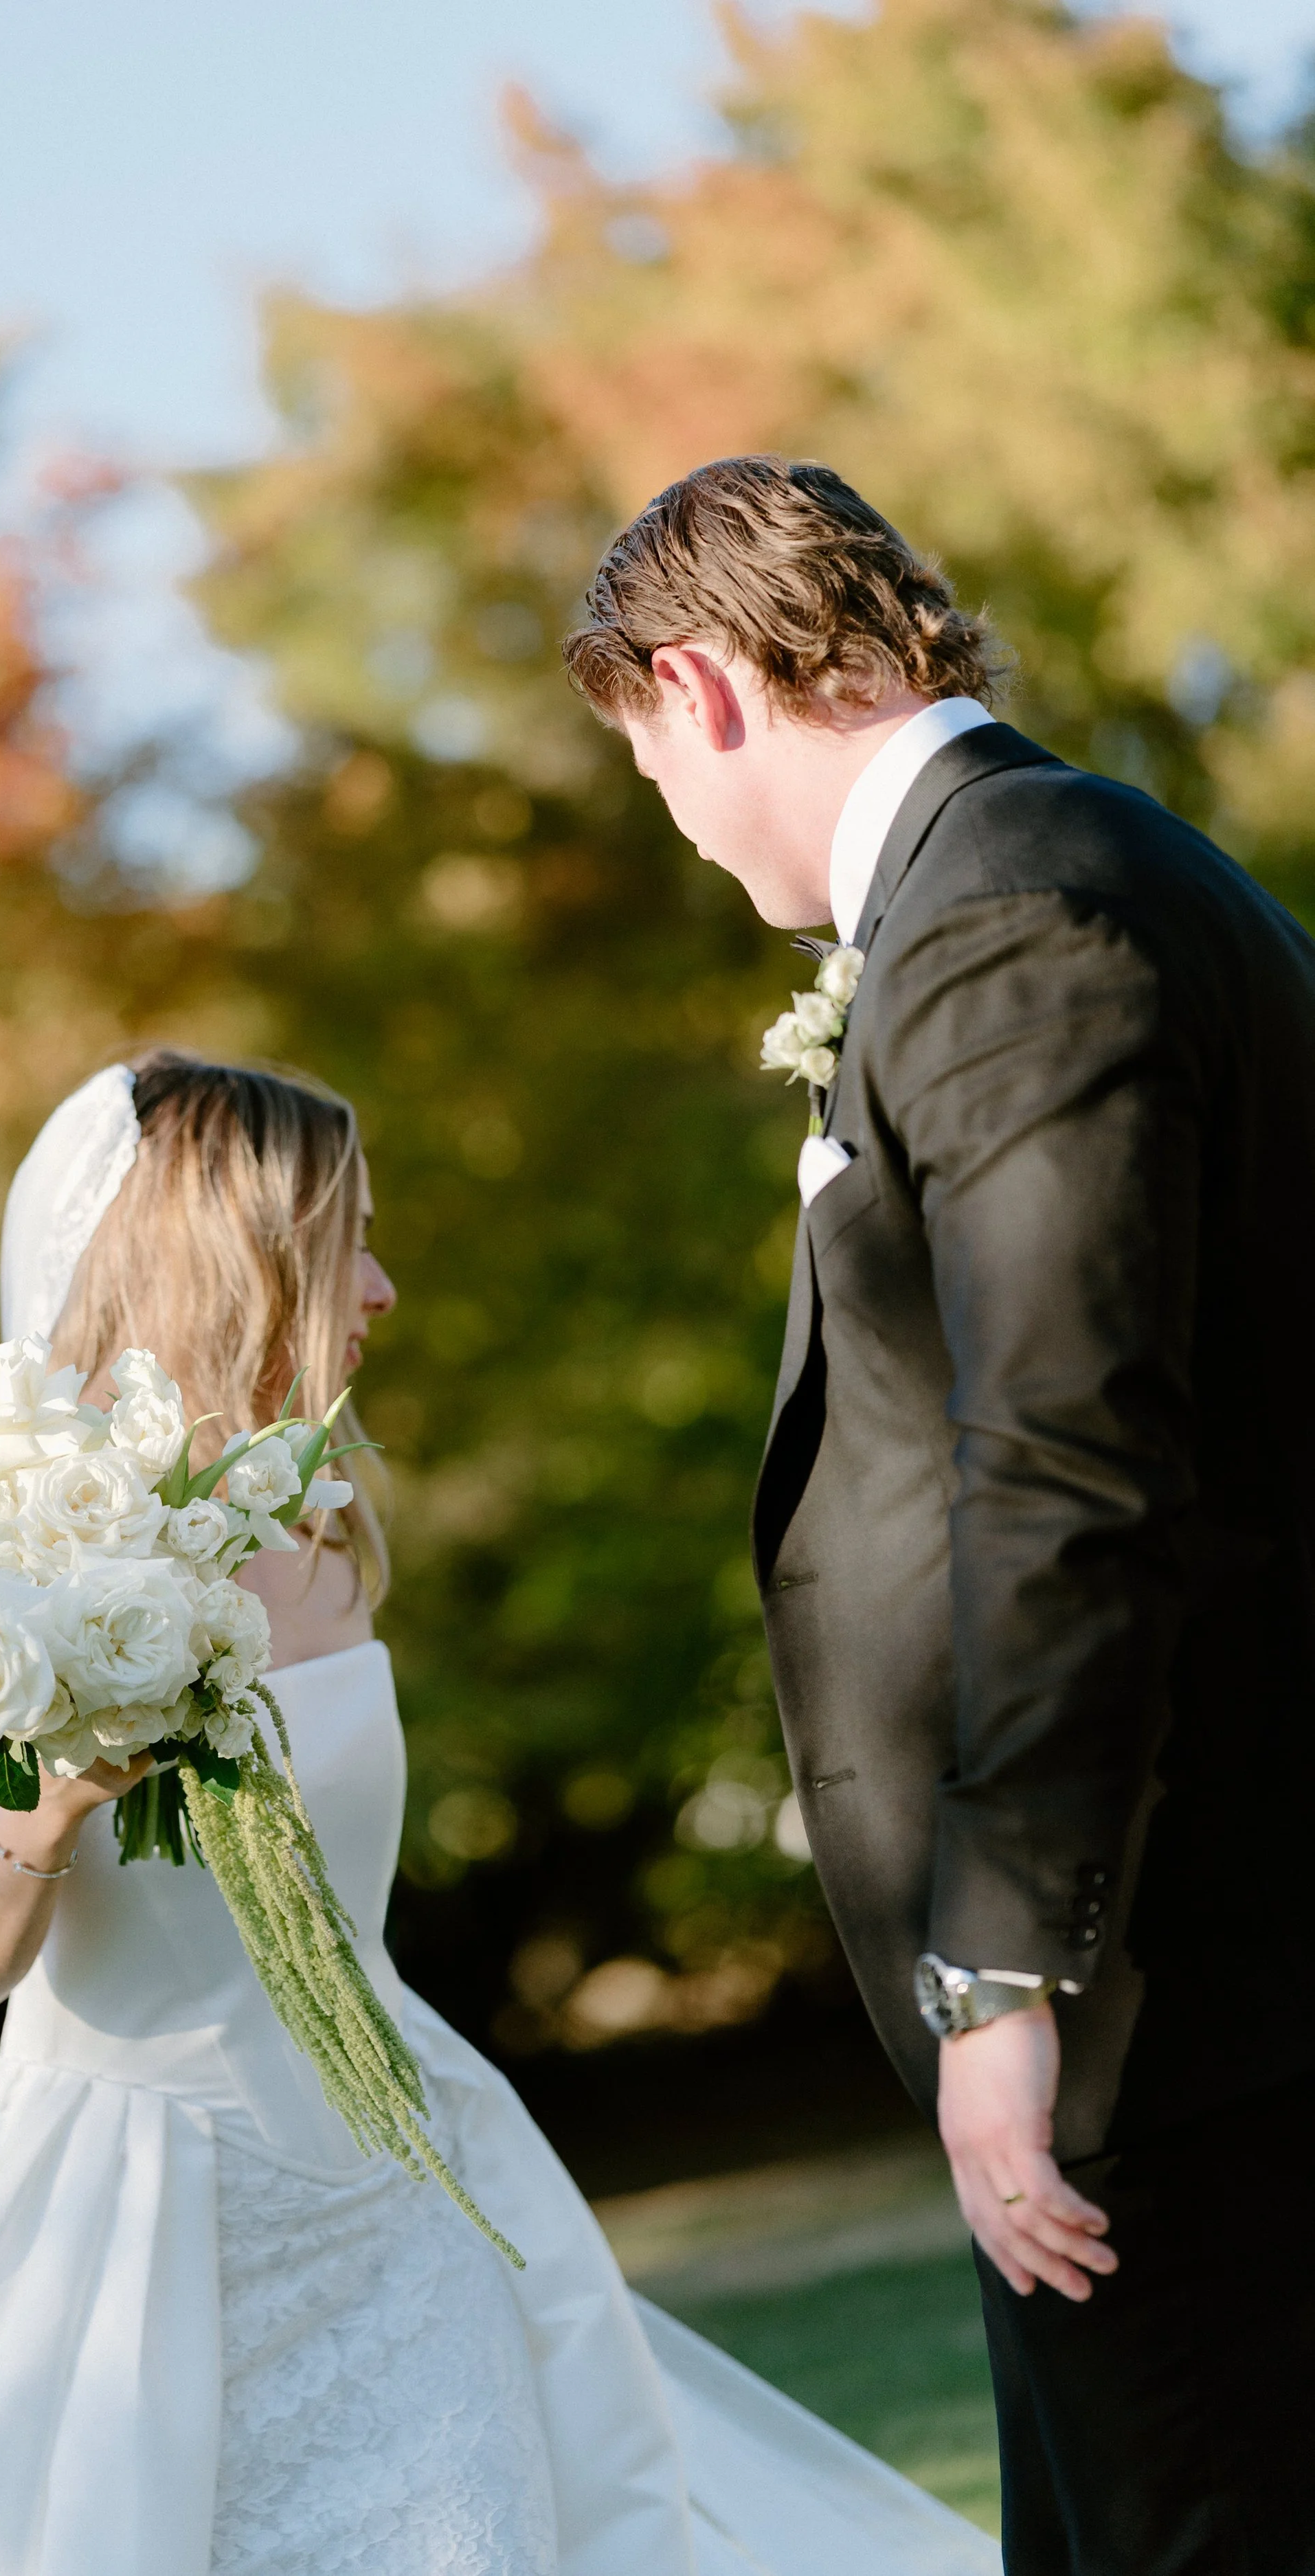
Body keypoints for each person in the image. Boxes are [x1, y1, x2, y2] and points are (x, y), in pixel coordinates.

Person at [563, 455, 1315, 2575]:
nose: (680, 824)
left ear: (700, 687)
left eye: (648, 764)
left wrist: (999, 1967)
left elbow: (1067, 1468)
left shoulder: (1003, 919)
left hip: (1176, 1989)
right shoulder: (1071, 866)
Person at [0, 1048, 699, 2576]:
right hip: (127, 2239)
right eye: (344, 1246)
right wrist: (47, 1810)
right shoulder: (2, 1541)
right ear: (229, 1260)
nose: (378, 1289)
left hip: (393, 2194)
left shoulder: (323, 1528)